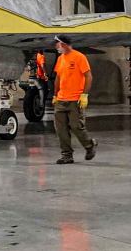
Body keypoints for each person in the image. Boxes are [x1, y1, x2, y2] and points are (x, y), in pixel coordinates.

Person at [52, 35, 98, 164]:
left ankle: (90, 145)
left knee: (76, 126)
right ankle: (67, 155)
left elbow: (88, 76)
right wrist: (55, 95)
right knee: (61, 130)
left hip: (75, 100)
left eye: (57, 44)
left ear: (63, 44)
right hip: (61, 100)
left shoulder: (79, 57)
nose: (56, 46)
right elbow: (58, 78)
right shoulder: (60, 59)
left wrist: (84, 95)